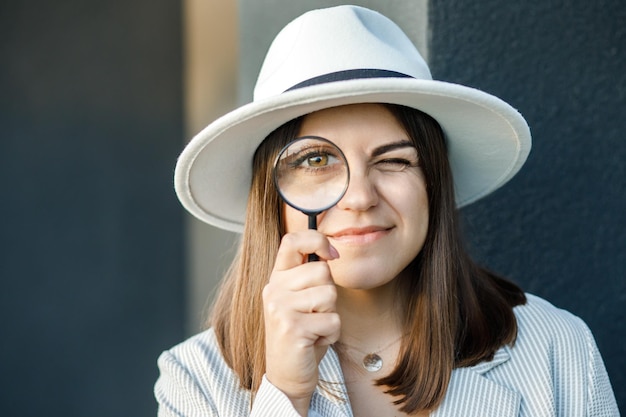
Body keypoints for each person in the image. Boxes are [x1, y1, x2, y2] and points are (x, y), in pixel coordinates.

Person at [155, 5, 619, 417]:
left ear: (432, 183)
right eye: (316, 160)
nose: (360, 197)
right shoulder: (195, 380)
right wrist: (285, 395)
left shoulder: (557, 350)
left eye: (394, 160)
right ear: (271, 198)